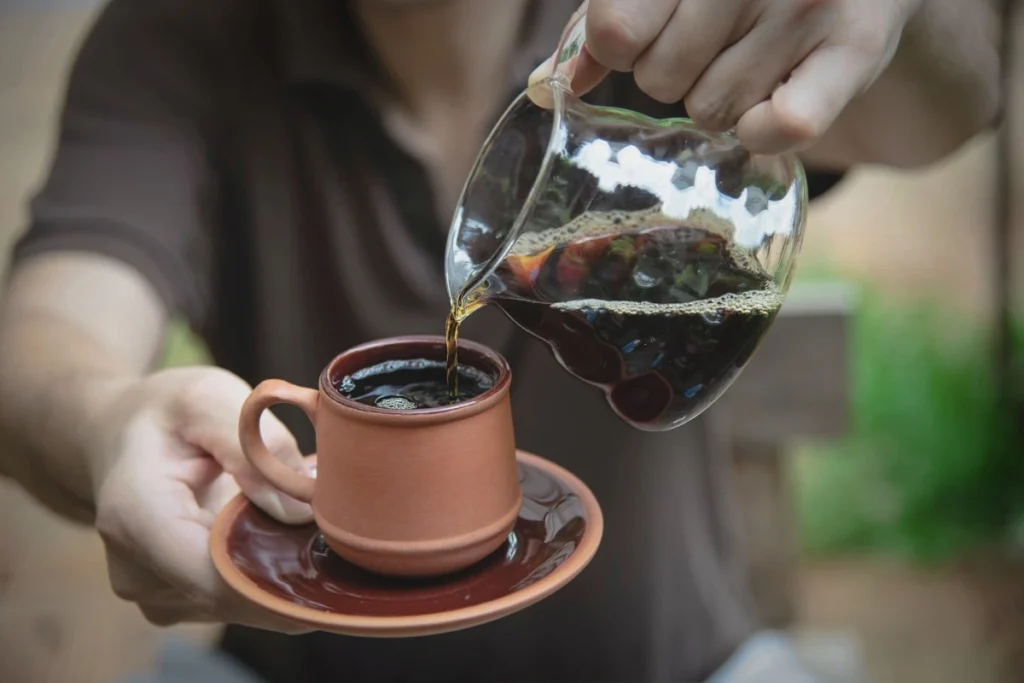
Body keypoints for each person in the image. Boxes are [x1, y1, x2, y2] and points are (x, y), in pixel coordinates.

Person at [0, 0, 997, 681]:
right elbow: (47, 332)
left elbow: (956, 103)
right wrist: (102, 423)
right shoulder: (183, 34)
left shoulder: (648, 27)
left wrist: (896, 15)